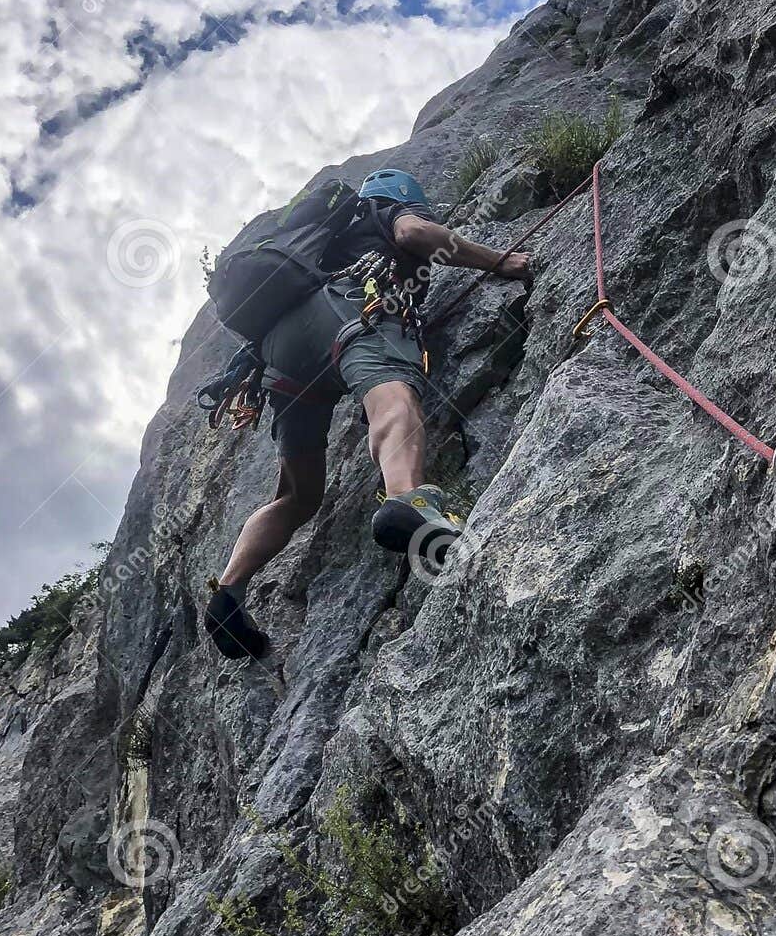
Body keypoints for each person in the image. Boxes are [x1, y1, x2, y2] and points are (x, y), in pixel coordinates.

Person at [204, 168, 531, 661]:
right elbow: (414, 234)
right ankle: (407, 500)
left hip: (280, 354)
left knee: (296, 496)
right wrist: (500, 260)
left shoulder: (323, 239)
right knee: (394, 396)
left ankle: (228, 593)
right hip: (347, 308)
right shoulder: (383, 210)